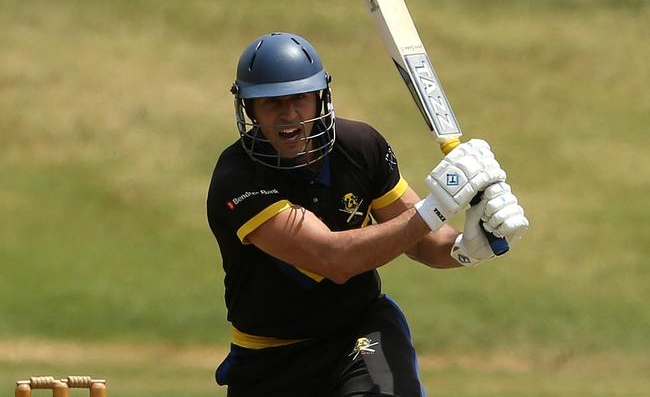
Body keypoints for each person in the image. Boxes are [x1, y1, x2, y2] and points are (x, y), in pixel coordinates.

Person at [207, 32, 528, 397]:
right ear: (250, 109)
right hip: (268, 362)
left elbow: (425, 243)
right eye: (272, 103)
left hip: (358, 333)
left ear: (319, 98)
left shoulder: (359, 147)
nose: (289, 114)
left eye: (299, 98)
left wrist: (467, 247)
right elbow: (333, 258)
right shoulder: (238, 179)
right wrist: (437, 207)